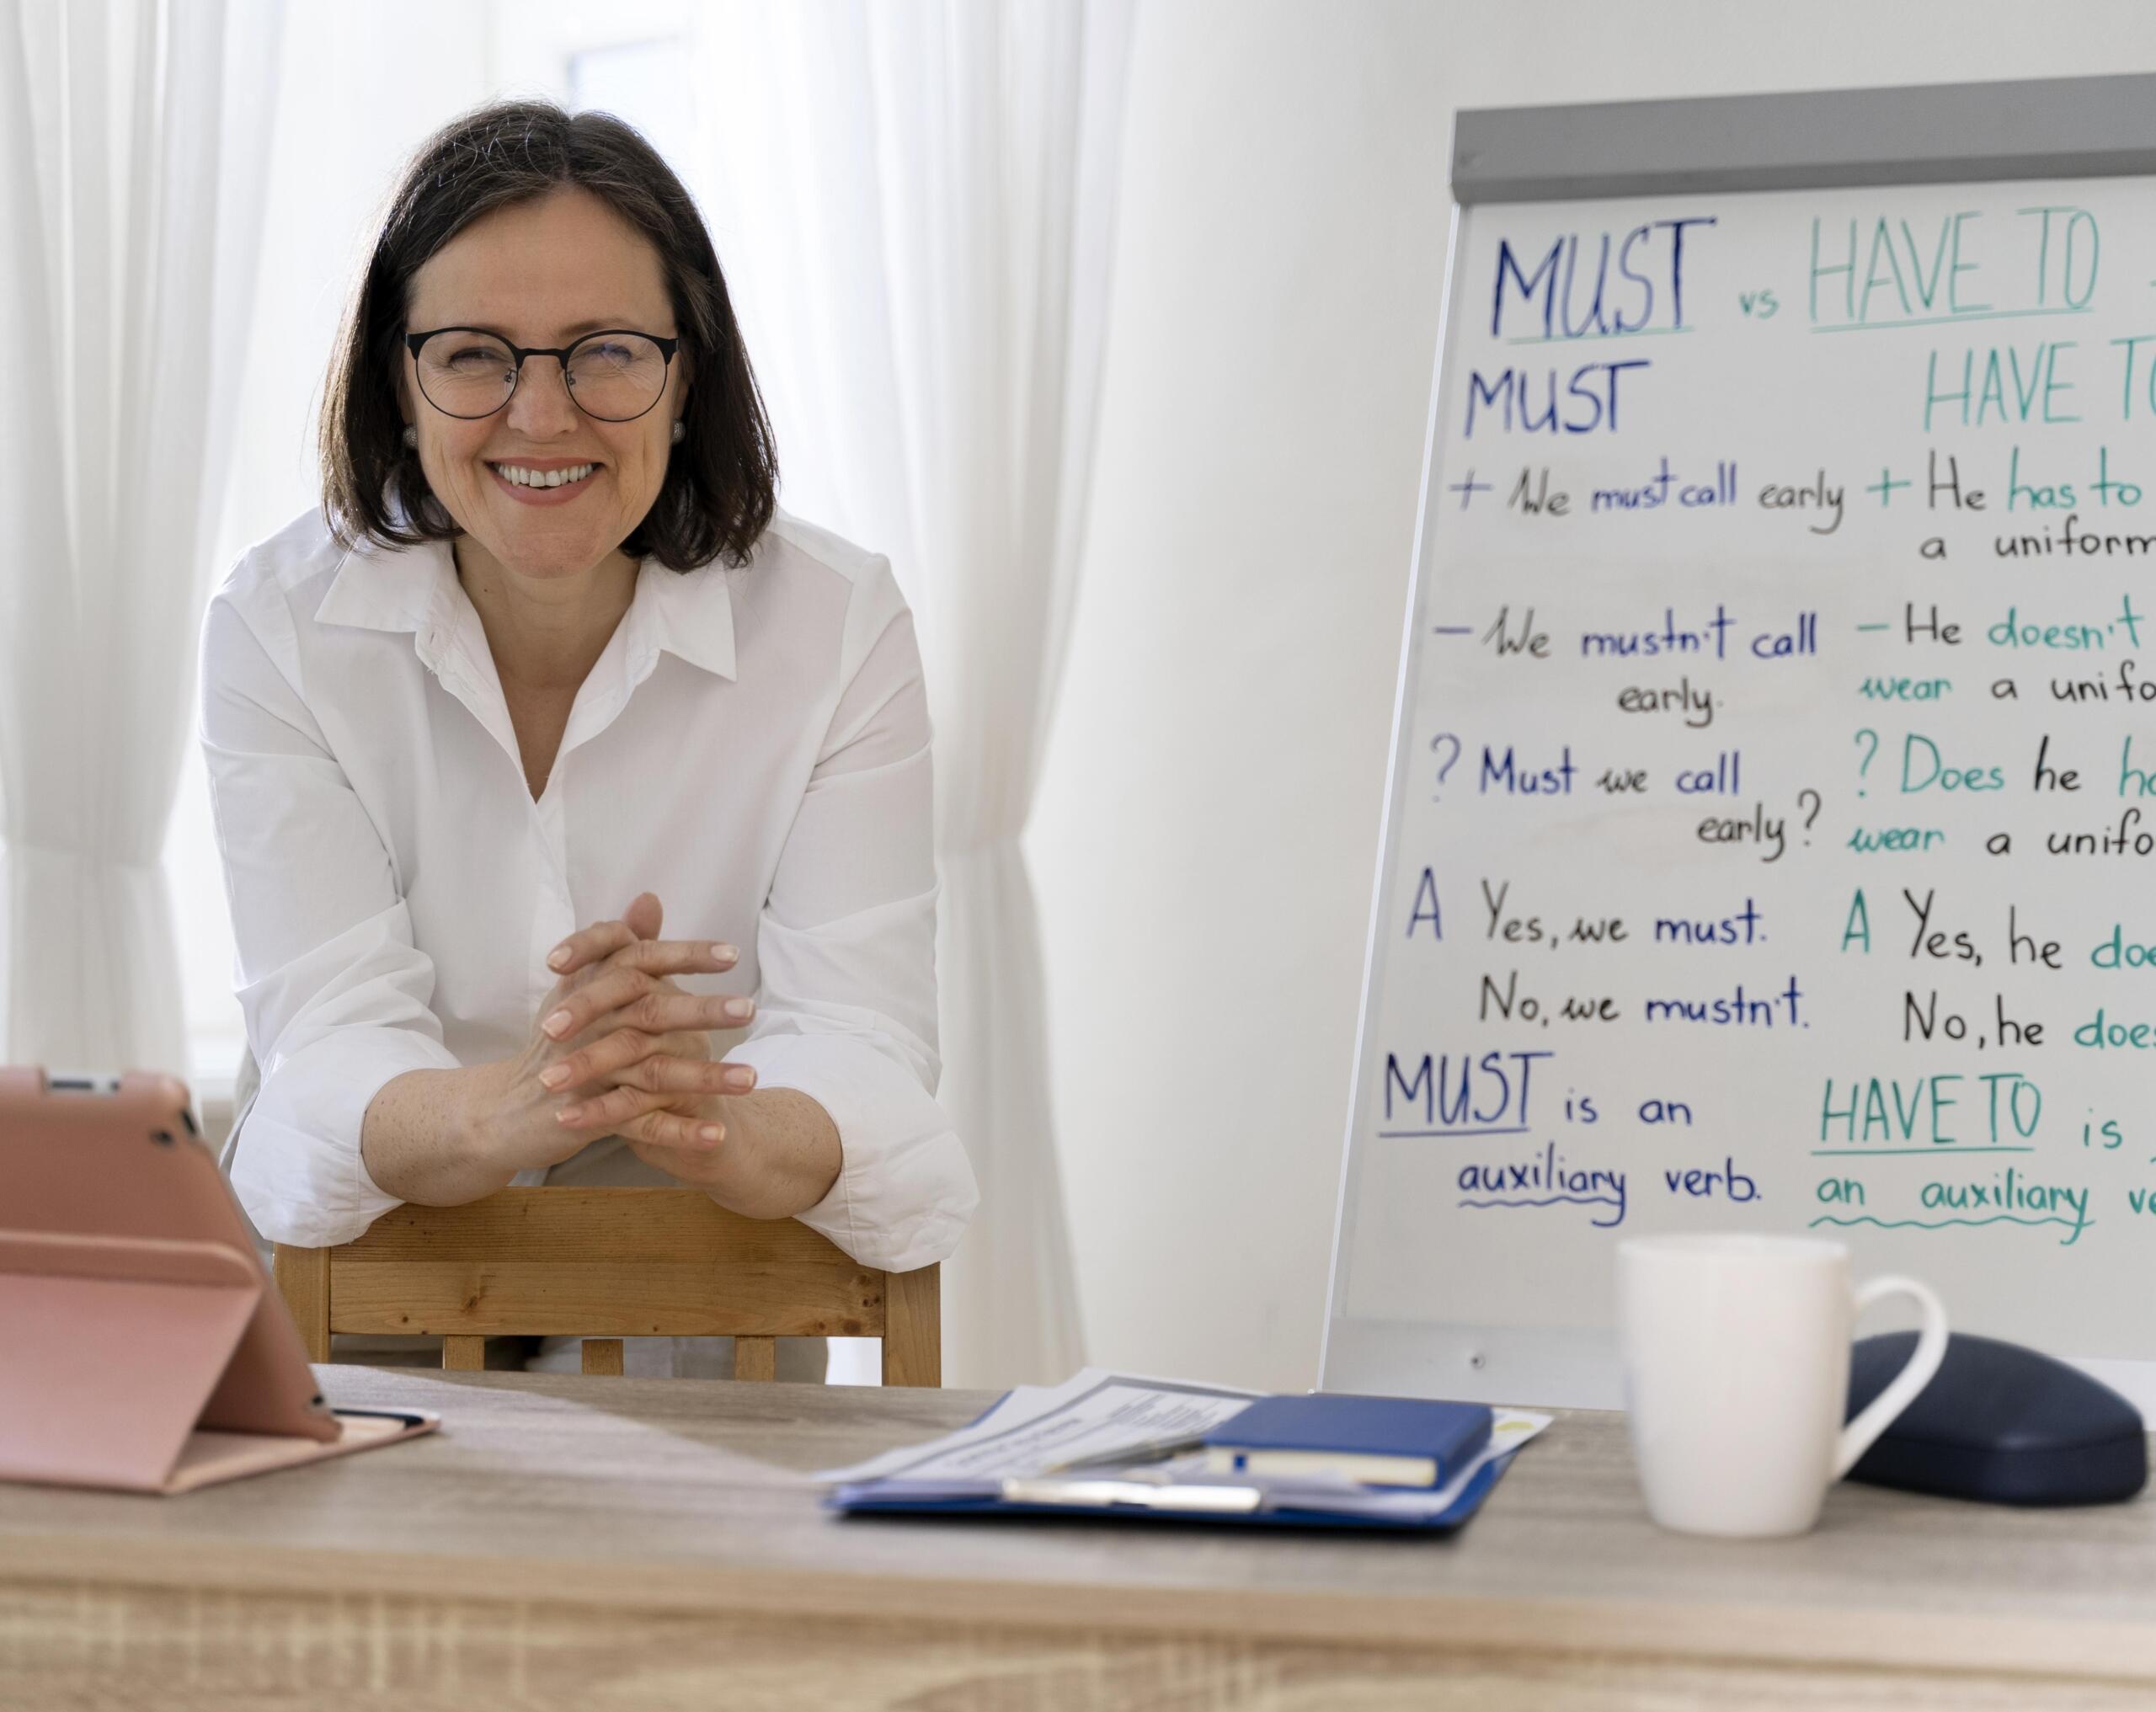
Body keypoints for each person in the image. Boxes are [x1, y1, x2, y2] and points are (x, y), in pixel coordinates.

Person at [200, 98, 977, 1379]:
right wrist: (515, 1102)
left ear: (689, 378)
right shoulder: (279, 626)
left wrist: (716, 1120)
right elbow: (326, 1037)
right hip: (372, 1285)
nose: (542, 415)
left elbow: (867, 1044)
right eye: (474, 354)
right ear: (400, 383)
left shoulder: (838, 626)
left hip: (701, 1292)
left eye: (606, 351)